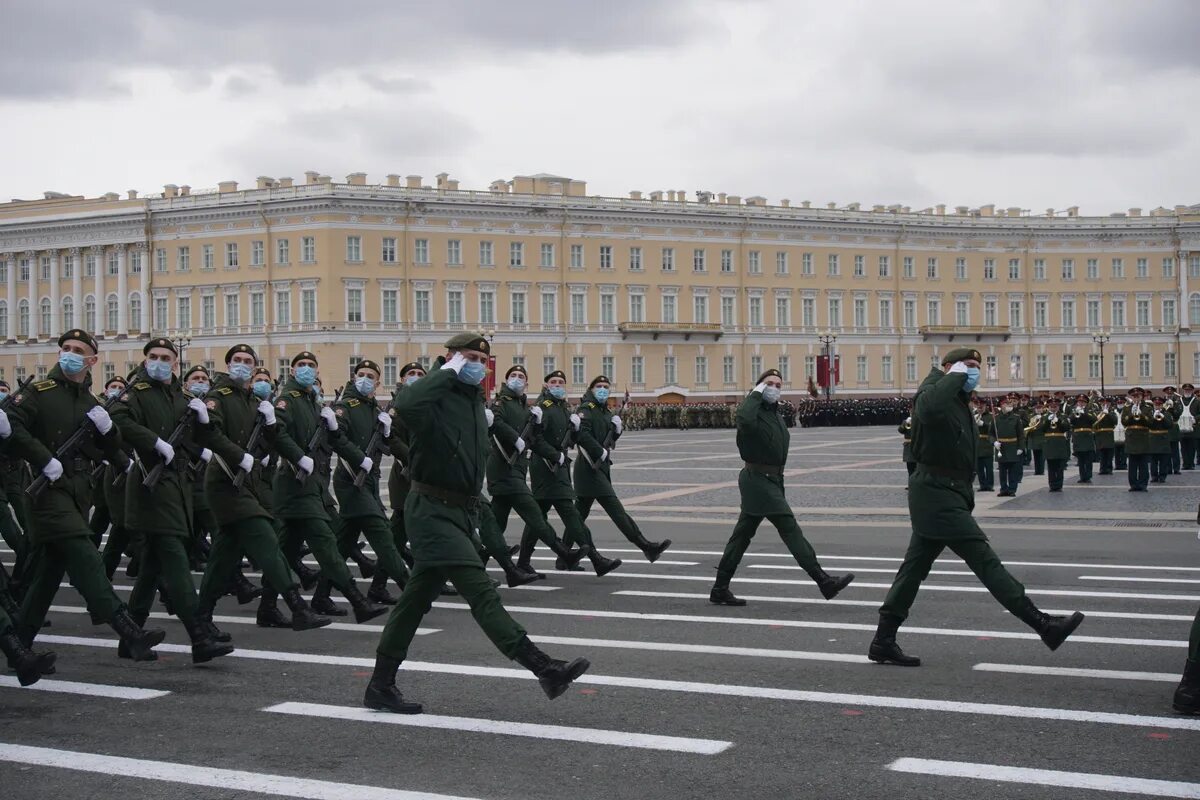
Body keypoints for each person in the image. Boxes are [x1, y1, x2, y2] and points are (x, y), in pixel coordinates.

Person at [364, 332, 590, 714]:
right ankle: (543, 667)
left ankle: (380, 685)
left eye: (481, 360)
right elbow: (406, 403)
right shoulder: (435, 393)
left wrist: (478, 510)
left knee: (413, 602)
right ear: (451, 357)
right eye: (467, 357)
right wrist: (446, 370)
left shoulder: (473, 400)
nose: (476, 365)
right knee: (480, 590)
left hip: (459, 510)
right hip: (430, 509)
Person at [868, 347, 1085, 667]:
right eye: (967, 366)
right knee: (984, 559)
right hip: (936, 495)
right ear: (949, 368)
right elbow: (927, 410)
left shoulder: (957, 399)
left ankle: (883, 639)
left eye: (976, 367)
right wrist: (953, 375)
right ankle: (1042, 623)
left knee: (913, 569)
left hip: (949, 493)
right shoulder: (933, 392)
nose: (973, 371)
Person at [6, 329, 166, 661]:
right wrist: (42, 458)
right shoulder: (38, 392)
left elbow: (107, 449)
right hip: (46, 494)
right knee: (87, 556)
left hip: (78, 494)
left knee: (47, 577)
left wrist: (110, 431)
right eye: (65, 348)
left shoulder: (90, 402)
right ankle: (128, 631)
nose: (70, 353)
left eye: (78, 349)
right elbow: (11, 426)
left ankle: (19, 650)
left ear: (92, 359)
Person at [109, 338, 233, 663]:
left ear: (175, 363)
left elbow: (197, 439)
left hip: (177, 487)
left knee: (151, 567)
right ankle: (199, 636)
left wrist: (203, 421)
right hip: (151, 487)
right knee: (175, 560)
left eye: (166, 357)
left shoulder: (182, 397)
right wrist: (153, 442)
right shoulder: (136, 392)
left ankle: (130, 637)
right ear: (146, 359)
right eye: (153, 356)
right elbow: (118, 418)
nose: (159, 362)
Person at [194, 344, 329, 632]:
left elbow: (269, 443)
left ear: (255, 367)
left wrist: (270, 425)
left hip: (248, 483)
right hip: (225, 480)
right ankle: (298, 606)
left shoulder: (254, 401)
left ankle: (201, 618)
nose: (242, 364)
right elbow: (210, 433)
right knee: (266, 539)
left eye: (248, 361)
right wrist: (238, 455)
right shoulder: (219, 396)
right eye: (237, 360)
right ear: (228, 364)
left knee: (223, 555)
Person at [710, 369, 854, 606]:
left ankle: (719, 588)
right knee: (789, 528)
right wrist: (755, 393)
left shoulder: (774, 414)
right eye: (769, 384)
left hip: (773, 480)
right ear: (759, 388)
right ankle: (823, 580)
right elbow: (744, 419)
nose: (775, 388)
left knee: (741, 537)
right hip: (757, 479)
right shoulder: (752, 412)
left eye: (778, 384)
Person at [270, 351, 388, 624]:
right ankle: (357, 601)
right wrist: (298, 456)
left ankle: (269, 606)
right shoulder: (288, 399)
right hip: (294, 484)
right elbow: (277, 433)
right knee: (326, 544)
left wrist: (362, 459)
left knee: (285, 551)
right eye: (301, 365)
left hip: (313, 486)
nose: (307, 369)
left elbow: (332, 440)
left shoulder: (312, 401)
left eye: (311, 365)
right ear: (292, 371)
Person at [488, 364, 588, 580]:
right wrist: (514, 438)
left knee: (496, 524)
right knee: (534, 515)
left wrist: (541, 427)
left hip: (517, 469)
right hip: (502, 468)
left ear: (527, 383)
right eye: (512, 375)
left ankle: (483, 564)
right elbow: (495, 422)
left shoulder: (525, 407)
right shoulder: (501, 402)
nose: (516, 379)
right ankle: (563, 552)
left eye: (521, 376)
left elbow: (534, 438)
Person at [523, 370, 622, 577]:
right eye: (553, 382)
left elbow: (572, 438)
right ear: (546, 385)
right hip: (544, 468)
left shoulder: (564, 408)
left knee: (545, 517)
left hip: (559, 468)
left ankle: (525, 561)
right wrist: (554, 456)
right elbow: (536, 439)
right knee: (558, 515)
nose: (557, 385)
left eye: (561, 382)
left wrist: (579, 430)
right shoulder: (543, 407)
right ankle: (595, 559)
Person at [573, 375, 671, 563]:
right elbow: (582, 436)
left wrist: (617, 432)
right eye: (599, 386)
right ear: (591, 389)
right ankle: (645, 546)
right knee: (615, 509)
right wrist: (598, 451)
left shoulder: (605, 410)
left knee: (578, 515)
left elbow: (607, 439)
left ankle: (565, 556)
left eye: (606, 386)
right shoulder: (586, 409)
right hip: (588, 468)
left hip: (600, 468)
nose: (602, 389)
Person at [993, 394, 1025, 497]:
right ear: (1001, 405)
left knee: (1012, 470)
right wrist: (994, 442)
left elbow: (1020, 434)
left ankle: (1012, 489)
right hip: (1001, 447)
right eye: (1006, 403)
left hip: (1012, 446)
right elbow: (991, 434)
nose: (1008, 405)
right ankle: (1003, 489)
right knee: (1002, 471)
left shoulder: (1016, 418)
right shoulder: (996, 419)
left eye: (1009, 403)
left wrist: (1020, 447)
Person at [1122, 388, 1151, 491]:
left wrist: (1141, 414)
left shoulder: (1147, 408)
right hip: (1131, 438)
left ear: (1142, 397)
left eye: (1138, 396)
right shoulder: (1127, 408)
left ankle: (1143, 484)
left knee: (1143, 464)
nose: (1136, 398)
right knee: (1132, 465)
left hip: (1143, 438)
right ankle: (1133, 485)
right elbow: (1124, 422)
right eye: (1134, 396)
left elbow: (1150, 422)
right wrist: (1131, 413)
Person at [1038, 407, 1071, 492]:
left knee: (1060, 466)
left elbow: (1067, 427)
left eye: (1055, 406)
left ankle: (1059, 485)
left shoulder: (1063, 416)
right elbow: (1041, 429)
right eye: (1052, 406)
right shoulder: (1045, 416)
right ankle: (1052, 485)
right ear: (1049, 407)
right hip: (1049, 443)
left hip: (1060, 443)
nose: (1053, 408)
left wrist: (1059, 421)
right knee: (1051, 466)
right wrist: (1048, 421)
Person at [1068, 395, 1096, 484]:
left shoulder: (1089, 411)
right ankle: (1082, 476)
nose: (1081, 403)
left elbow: (1094, 420)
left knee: (1088, 458)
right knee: (1080, 459)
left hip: (1087, 436)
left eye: (1083, 402)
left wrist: (1084, 413)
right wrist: (1075, 413)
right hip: (1078, 437)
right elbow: (1070, 421)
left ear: (1086, 403)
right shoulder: (1074, 411)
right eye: (1079, 402)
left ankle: (1088, 476)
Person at [972, 398, 994, 492]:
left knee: (989, 467)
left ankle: (989, 484)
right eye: (978, 406)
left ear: (986, 406)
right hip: (977, 444)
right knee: (979, 468)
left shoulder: (990, 416)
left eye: (982, 406)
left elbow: (993, 429)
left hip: (986, 443)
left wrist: (983, 424)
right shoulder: (973, 416)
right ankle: (982, 484)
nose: (980, 408)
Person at [1093, 398, 1118, 475]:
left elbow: (1115, 421)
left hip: (1109, 434)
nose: (1105, 404)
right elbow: (1094, 422)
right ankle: (1102, 469)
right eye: (1103, 403)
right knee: (1102, 453)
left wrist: (1108, 414)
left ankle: (1109, 469)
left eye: (1107, 403)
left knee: (1109, 453)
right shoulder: (1098, 413)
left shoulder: (1112, 412)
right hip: (1100, 434)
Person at [1179, 383, 1199, 470]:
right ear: (1183, 391)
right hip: (1181, 427)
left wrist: (1195, 418)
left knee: (1191, 447)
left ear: (1192, 391)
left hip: (1193, 427)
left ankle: (1191, 464)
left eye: (1189, 390)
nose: (1187, 391)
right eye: (1186, 390)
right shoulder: (1179, 401)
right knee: (1183, 448)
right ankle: (1185, 464)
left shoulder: (1197, 401)